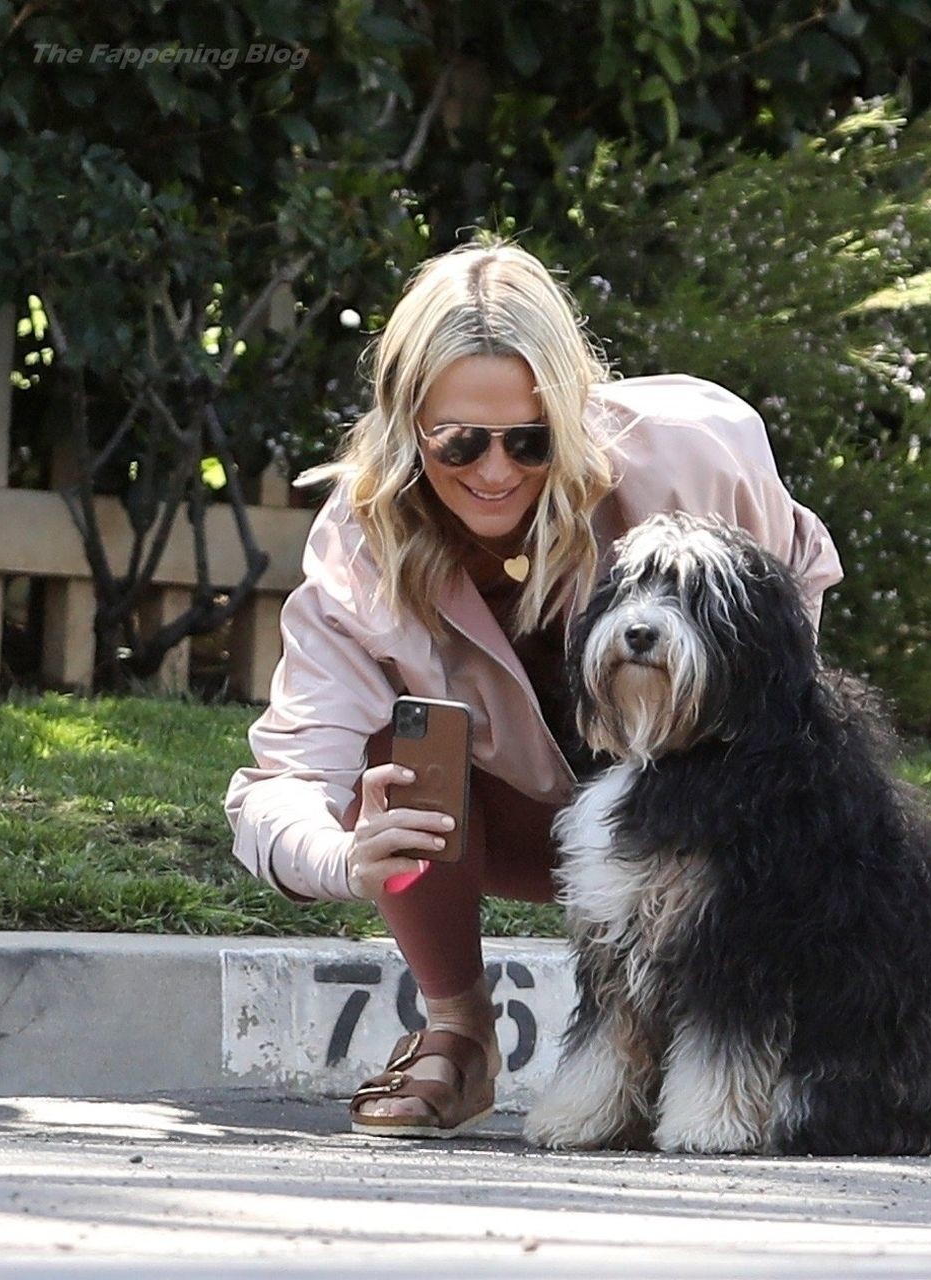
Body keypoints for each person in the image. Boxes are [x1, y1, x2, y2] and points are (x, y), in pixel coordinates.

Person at [223, 236, 844, 1137]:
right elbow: (283, 782)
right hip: (513, 831)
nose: (495, 471)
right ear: (405, 426)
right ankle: (458, 1028)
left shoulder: (694, 457)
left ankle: (738, 1047)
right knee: (398, 746)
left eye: (530, 440)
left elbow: (791, 612)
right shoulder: (360, 546)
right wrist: (345, 858)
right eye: (457, 442)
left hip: (700, 808)